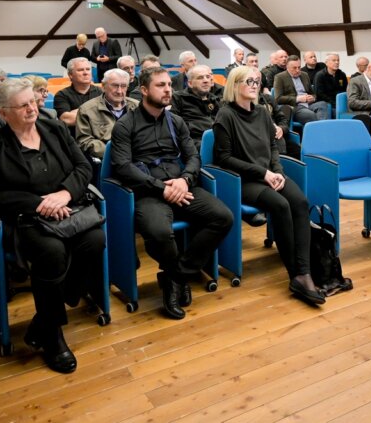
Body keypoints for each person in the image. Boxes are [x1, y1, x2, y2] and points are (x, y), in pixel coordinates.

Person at [0, 79, 106, 374]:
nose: (32, 108)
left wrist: (64, 194)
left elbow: (83, 166)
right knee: (51, 252)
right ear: (3, 113)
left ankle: (43, 320)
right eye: (23, 105)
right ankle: (52, 336)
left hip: (69, 209)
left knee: (95, 240)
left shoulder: (55, 129)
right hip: (28, 219)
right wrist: (38, 203)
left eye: (33, 102)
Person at [109, 67, 233, 320]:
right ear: (144, 90)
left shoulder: (176, 121)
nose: (168, 90)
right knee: (159, 232)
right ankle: (177, 280)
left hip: (180, 185)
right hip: (148, 191)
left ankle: (176, 277)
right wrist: (161, 188)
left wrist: (185, 180)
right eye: (160, 85)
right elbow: (122, 167)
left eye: (169, 84)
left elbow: (193, 157)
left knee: (223, 217)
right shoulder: (126, 125)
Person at [213, 67, 325, 305]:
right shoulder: (226, 115)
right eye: (249, 81)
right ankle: (295, 274)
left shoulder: (263, 113)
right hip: (242, 180)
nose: (255, 85)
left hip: (269, 174)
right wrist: (263, 173)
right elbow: (224, 158)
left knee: (300, 202)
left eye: (257, 81)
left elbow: (273, 147)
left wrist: (277, 172)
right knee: (280, 205)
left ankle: (304, 272)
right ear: (235, 85)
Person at [76, 68, 137, 161]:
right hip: (106, 159)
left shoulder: (138, 106)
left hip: (137, 156)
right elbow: (84, 141)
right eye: (115, 86)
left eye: (124, 86)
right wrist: (114, 153)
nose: (119, 91)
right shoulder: (87, 110)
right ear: (103, 86)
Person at [273, 55, 330, 126]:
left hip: (308, 104)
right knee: (310, 115)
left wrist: (312, 98)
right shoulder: (279, 77)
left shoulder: (304, 75)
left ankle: (320, 130)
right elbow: (278, 99)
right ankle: (320, 132)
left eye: (299, 67)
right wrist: (298, 99)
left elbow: (312, 93)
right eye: (294, 68)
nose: (297, 70)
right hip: (295, 106)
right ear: (287, 67)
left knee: (323, 104)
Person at [171, 65, 221, 142]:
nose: (206, 80)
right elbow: (173, 127)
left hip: (218, 141)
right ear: (190, 83)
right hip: (193, 143)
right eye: (200, 78)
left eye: (208, 77)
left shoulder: (215, 99)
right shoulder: (178, 98)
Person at [54, 58, 102, 135]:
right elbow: (67, 120)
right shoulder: (62, 95)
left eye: (88, 69)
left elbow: (108, 117)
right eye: (80, 70)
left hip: (100, 136)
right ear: (70, 75)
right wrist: (96, 112)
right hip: (75, 138)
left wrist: (78, 112)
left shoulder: (101, 92)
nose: (85, 73)